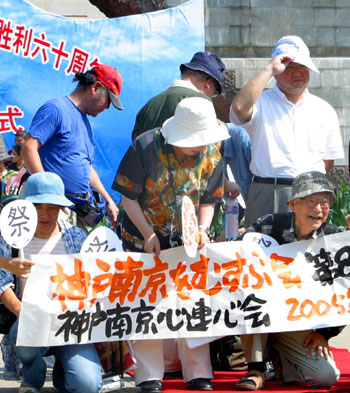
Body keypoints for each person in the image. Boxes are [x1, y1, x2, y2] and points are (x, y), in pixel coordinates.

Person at [112, 97, 230, 393]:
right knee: (147, 302)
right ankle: (149, 374)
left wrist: (202, 229)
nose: (199, 148)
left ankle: (198, 372)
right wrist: (148, 233)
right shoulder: (145, 147)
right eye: (193, 142)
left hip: (189, 238)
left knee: (191, 301)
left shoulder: (212, 154)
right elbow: (129, 196)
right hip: (143, 233)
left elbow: (210, 200)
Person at [235, 171, 344, 391]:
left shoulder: (334, 239)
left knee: (326, 378)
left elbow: (344, 292)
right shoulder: (268, 226)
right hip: (262, 317)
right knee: (251, 293)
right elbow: (236, 260)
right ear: (292, 204)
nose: (318, 209)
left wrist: (325, 334)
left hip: (300, 322)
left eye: (325, 202)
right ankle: (256, 368)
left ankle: (280, 358)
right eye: (311, 201)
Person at [0, 172, 103, 393]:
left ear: (61, 208)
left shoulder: (76, 236)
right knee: (21, 336)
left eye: (52, 207)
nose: (45, 214)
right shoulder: (13, 239)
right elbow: (2, 283)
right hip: (30, 321)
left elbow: (95, 279)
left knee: (88, 385)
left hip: (72, 323)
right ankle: (32, 377)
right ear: (26, 208)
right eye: (38, 207)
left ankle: (62, 371)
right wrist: (22, 313)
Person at [230, 35, 344, 227]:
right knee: (261, 252)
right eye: (290, 67)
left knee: (307, 254)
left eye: (303, 67)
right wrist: (269, 69)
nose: (298, 73)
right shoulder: (260, 102)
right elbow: (239, 108)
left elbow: (327, 161)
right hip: (268, 191)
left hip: (311, 195)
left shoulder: (324, 109)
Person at [22, 63, 122, 228]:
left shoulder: (85, 124)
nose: (107, 107)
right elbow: (29, 147)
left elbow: (85, 166)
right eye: (108, 100)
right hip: (51, 207)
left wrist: (108, 199)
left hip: (74, 209)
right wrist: (47, 193)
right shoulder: (56, 109)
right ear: (96, 88)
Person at [131, 51, 225, 141]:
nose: (212, 96)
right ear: (209, 83)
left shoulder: (148, 106)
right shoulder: (202, 103)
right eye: (215, 92)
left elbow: (136, 146)